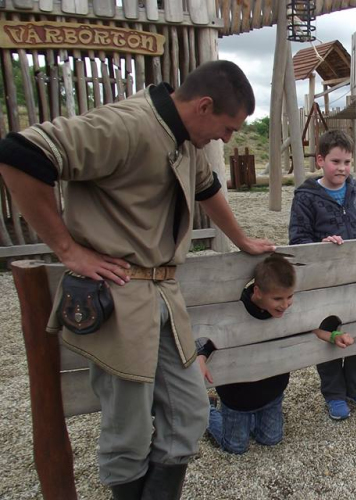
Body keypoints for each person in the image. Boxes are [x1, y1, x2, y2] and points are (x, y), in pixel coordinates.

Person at [0, 60, 276, 499]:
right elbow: (19, 154)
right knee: (127, 429)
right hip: (119, 297)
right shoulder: (126, 125)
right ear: (204, 106)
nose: (227, 138)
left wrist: (241, 238)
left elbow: (207, 190)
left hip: (164, 297)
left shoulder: (188, 140)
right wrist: (68, 249)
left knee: (189, 411)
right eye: (227, 127)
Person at [288, 129, 356, 421]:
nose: (342, 168)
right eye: (336, 161)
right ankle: (334, 394)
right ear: (321, 160)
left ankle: (355, 386)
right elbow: (297, 240)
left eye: (348, 162)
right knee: (328, 335)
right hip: (324, 284)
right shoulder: (305, 196)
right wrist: (319, 246)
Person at [196, 254, 353, 453]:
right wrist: (200, 357)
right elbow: (211, 337)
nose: (285, 304)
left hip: (272, 393)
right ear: (258, 291)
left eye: (290, 297)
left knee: (271, 439)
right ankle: (208, 410)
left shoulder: (287, 313)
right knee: (235, 447)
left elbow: (304, 327)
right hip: (236, 398)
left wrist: (332, 336)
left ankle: (252, 422)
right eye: (278, 298)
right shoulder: (233, 311)